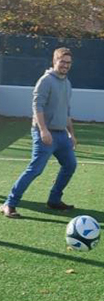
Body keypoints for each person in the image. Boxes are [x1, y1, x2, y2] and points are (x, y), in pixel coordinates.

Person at [1, 47, 77, 218]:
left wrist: (71, 134)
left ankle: (54, 200)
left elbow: (66, 111)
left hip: (61, 135)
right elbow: (37, 107)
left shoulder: (67, 83)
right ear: (54, 61)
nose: (65, 65)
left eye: (68, 63)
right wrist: (43, 130)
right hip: (45, 134)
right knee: (35, 169)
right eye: (62, 61)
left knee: (70, 165)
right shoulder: (46, 81)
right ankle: (9, 203)